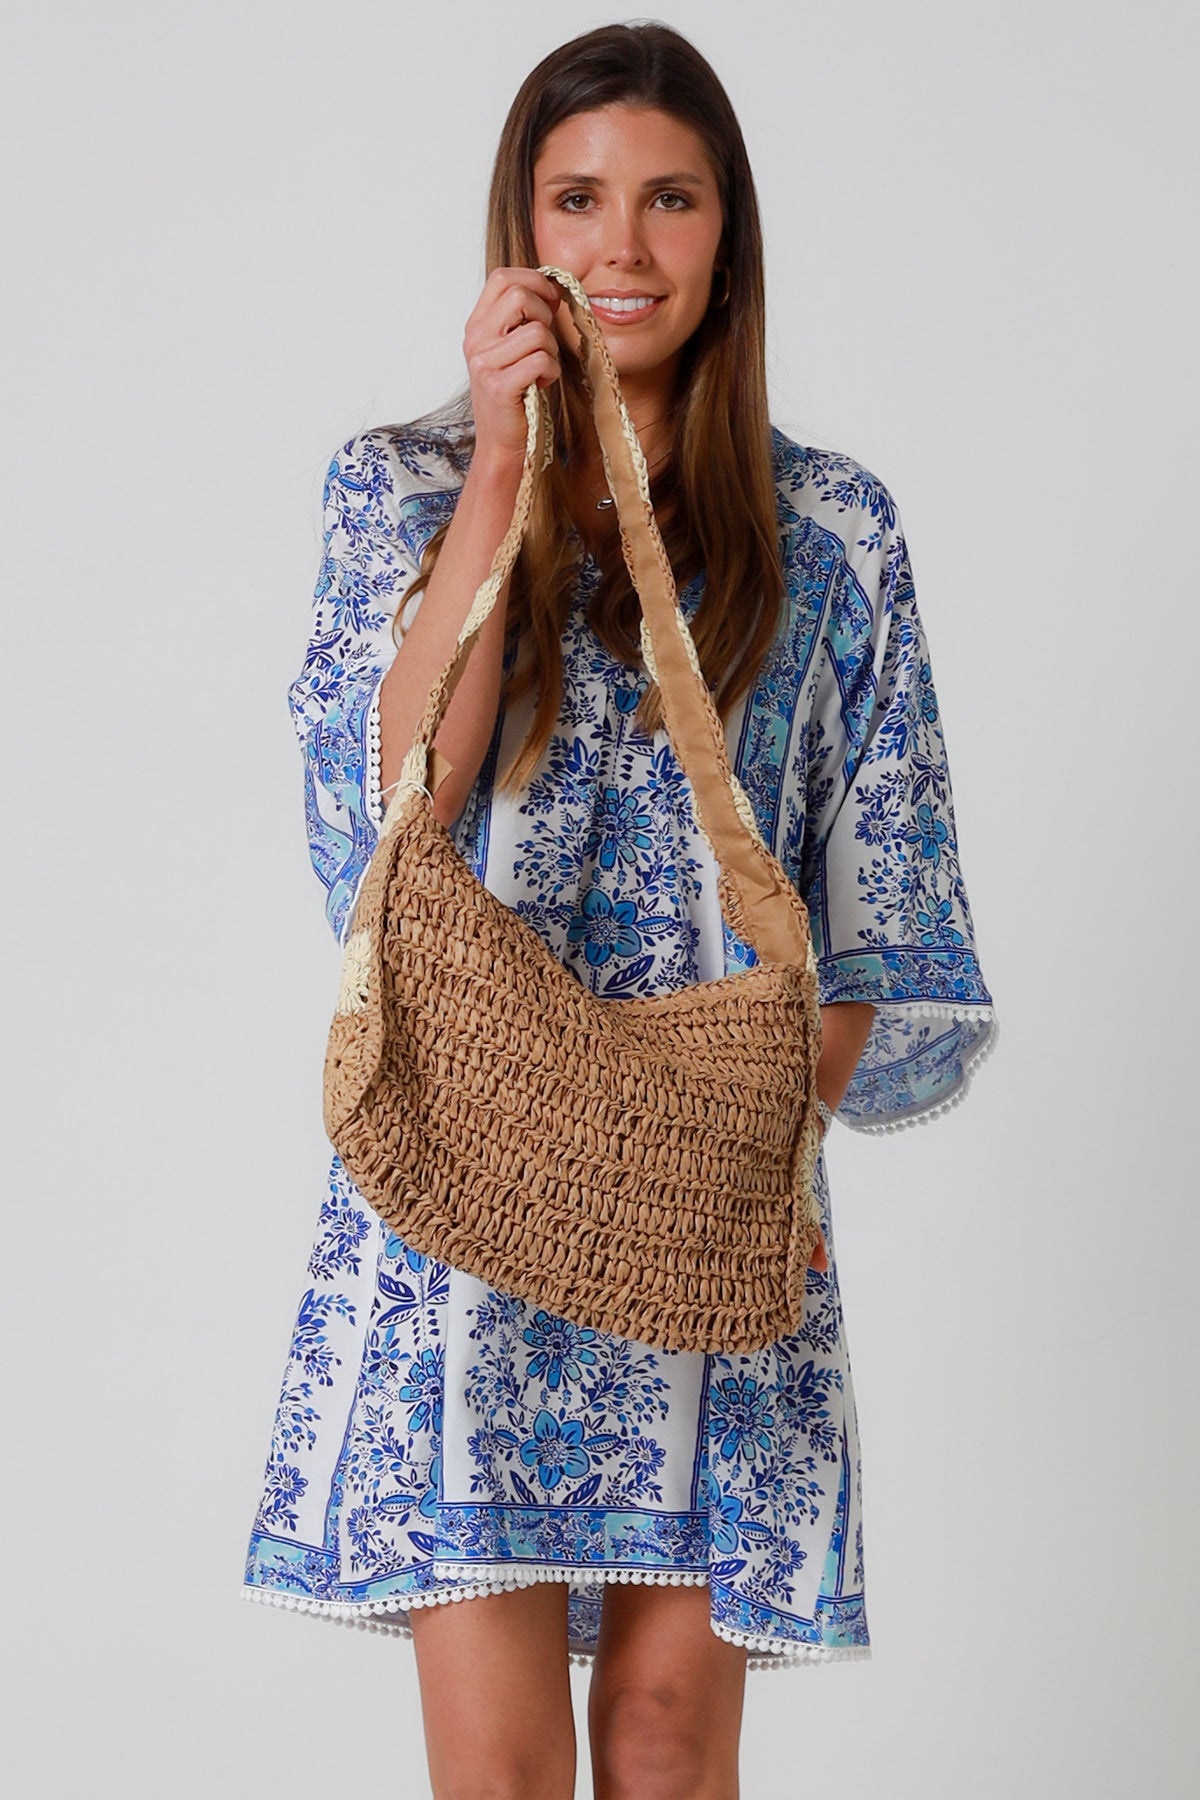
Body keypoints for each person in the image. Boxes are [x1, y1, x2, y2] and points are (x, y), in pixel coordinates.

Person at [241, 20, 997, 1798]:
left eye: (671, 198)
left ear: (730, 232)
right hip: (463, 1191)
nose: (623, 246)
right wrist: (506, 473)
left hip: (715, 1209)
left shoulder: (831, 532)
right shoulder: (402, 490)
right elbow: (387, 822)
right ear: (520, 225)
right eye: (576, 199)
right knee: (502, 1774)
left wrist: (730, 1151)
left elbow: (882, 905)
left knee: (665, 1749)